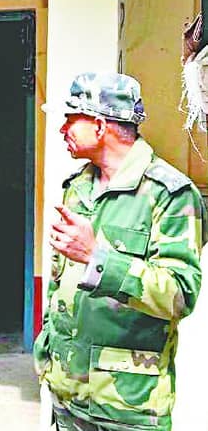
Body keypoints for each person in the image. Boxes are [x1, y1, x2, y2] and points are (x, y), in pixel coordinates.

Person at [34, 71, 207, 431]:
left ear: (100, 126)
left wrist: (98, 258)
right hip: (66, 390)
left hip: (126, 404)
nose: (62, 128)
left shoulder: (170, 195)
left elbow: (179, 295)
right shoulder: (77, 187)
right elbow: (58, 282)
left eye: (71, 118)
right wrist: (46, 351)